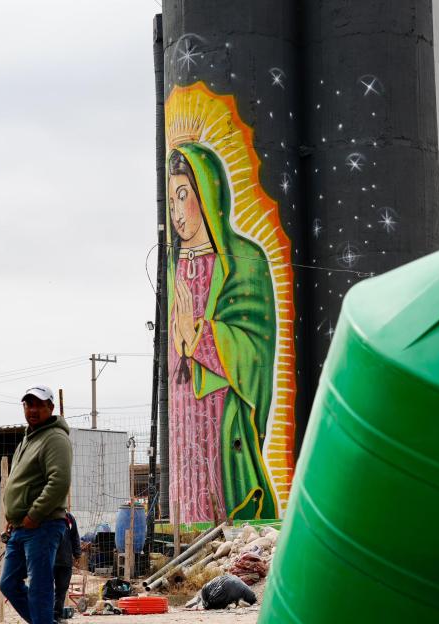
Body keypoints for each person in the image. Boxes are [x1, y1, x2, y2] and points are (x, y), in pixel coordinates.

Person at [166, 145, 281, 522]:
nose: (177, 212)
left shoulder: (244, 260)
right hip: (184, 406)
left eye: (184, 196)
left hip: (221, 410)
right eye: (170, 200)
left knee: (219, 485)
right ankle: (190, 532)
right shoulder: (173, 268)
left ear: (208, 194)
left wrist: (198, 336)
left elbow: (255, 345)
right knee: (189, 488)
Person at [0, 385, 73, 624]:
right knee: (8, 584)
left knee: (40, 588)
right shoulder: (26, 440)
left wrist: (34, 515)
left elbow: (59, 482)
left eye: (39, 405)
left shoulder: (55, 438)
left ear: (50, 408)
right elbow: (22, 484)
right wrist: (13, 518)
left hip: (42, 525)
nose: (32, 409)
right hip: (21, 527)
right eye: (28, 404)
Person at [52, 512, 80, 622]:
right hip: (49, 560)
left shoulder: (69, 518)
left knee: (62, 588)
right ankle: (45, 615)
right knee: (46, 588)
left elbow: (75, 536)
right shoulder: (47, 516)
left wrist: (77, 553)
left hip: (65, 560)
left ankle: (57, 615)